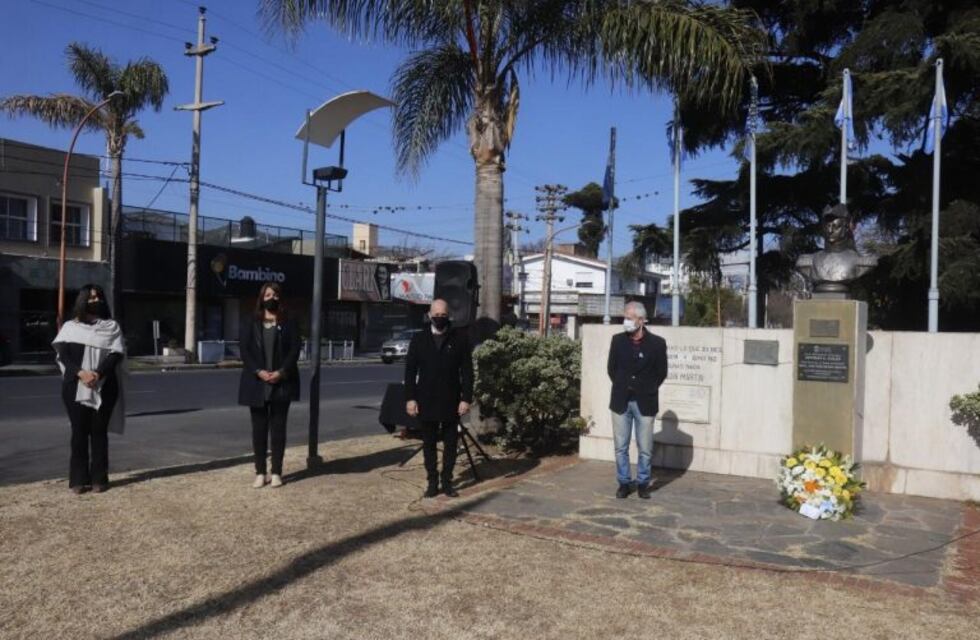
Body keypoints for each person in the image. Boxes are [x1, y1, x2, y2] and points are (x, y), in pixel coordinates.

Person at [52, 284, 126, 494]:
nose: (95, 301)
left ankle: (99, 479)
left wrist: (98, 374)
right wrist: (81, 373)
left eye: (99, 297)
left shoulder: (111, 327)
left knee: (99, 432)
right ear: (82, 299)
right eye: (91, 298)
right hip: (75, 386)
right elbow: (63, 355)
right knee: (79, 432)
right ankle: (78, 480)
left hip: (104, 386)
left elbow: (116, 354)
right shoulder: (70, 327)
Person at [404, 298, 473, 498]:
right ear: (429, 315)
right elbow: (410, 372)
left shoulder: (460, 338)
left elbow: (467, 372)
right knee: (429, 444)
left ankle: (447, 481)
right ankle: (432, 481)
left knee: (451, 444)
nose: (439, 318)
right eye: (436, 315)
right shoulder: (418, 339)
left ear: (448, 315)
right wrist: (410, 398)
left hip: (452, 400)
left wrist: (466, 398)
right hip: (426, 399)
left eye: (443, 315)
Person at [238, 282, 300, 489]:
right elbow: (245, 350)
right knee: (259, 430)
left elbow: (295, 349)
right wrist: (259, 371)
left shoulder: (289, 320)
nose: (270, 298)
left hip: (281, 383)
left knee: (278, 430)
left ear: (280, 297)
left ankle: (276, 472)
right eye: (267, 295)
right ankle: (260, 472)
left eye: (274, 294)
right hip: (257, 383)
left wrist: (281, 372)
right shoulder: (250, 320)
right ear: (261, 298)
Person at [607, 301, 668, 499]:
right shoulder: (617, 340)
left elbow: (661, 372)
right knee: (620, 446)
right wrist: (623, 385)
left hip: (645, 402)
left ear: (641, 320)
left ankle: (643, 483)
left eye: (630, 318)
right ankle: (624, 482)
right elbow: (612, 369)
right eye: (625, 317)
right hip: (621, 401)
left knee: (645, 448)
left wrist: (646, 388)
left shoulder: (657, 343)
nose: (626, 321)